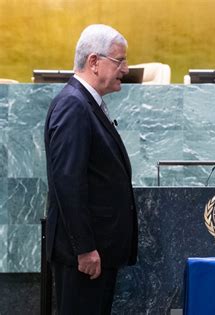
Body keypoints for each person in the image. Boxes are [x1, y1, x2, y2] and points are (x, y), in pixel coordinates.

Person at [44, 24, 138, 315]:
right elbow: (67, 182)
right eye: (119, 60)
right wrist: (84, 248)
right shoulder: (73, 106)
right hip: (84, 258)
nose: (126, 68)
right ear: (94, 62)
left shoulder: (86, 104)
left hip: (97, 254)